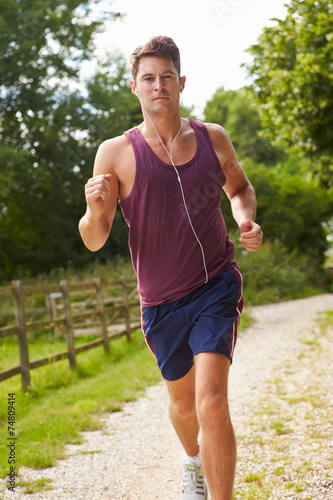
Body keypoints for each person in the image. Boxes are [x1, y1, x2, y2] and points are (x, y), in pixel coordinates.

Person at [79, 35, 263, 500]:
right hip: (160, 303)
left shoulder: (212, 137)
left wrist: (245, 219)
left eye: (166, 77)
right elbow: (96, 239)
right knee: (183, 407)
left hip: (215, 286)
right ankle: (192, 462)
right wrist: (92, 210)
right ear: (134, 87)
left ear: (180, 83)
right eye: (148, 78)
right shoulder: (114, 153)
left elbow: (239, 188)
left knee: (212, 402)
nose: (158, 85)